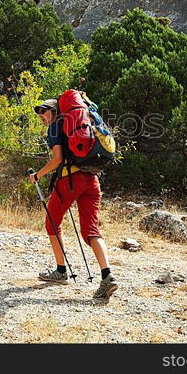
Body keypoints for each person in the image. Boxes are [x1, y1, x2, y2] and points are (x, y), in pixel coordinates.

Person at [29, 98, 118, 299]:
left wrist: (38, 175)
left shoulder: (55, 128)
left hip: (70, 181)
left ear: (54, 110)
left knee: (52, 223)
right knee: (91, 230)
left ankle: (61, 271)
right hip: (92, 180)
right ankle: (108, 277)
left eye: (44, 111)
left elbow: (57, 160)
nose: (41, 115)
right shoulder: (83, 123)